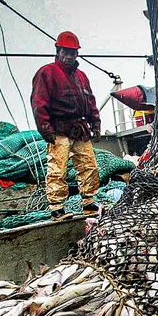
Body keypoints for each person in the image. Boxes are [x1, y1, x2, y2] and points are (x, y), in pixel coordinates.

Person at [31, 31, 101, 221]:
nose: (69, 55)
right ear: (58, 50)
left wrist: (95, 123)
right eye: (66, 51)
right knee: (57, 169)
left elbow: (90, 102)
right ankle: (57, 208)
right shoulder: (47, 73)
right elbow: (39, 104)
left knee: (89, 166)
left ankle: (89, 202)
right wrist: (46, 129)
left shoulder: (82, 76)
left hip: (80, 129)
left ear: (77, 54)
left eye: (73, 52)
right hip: (59, 130)